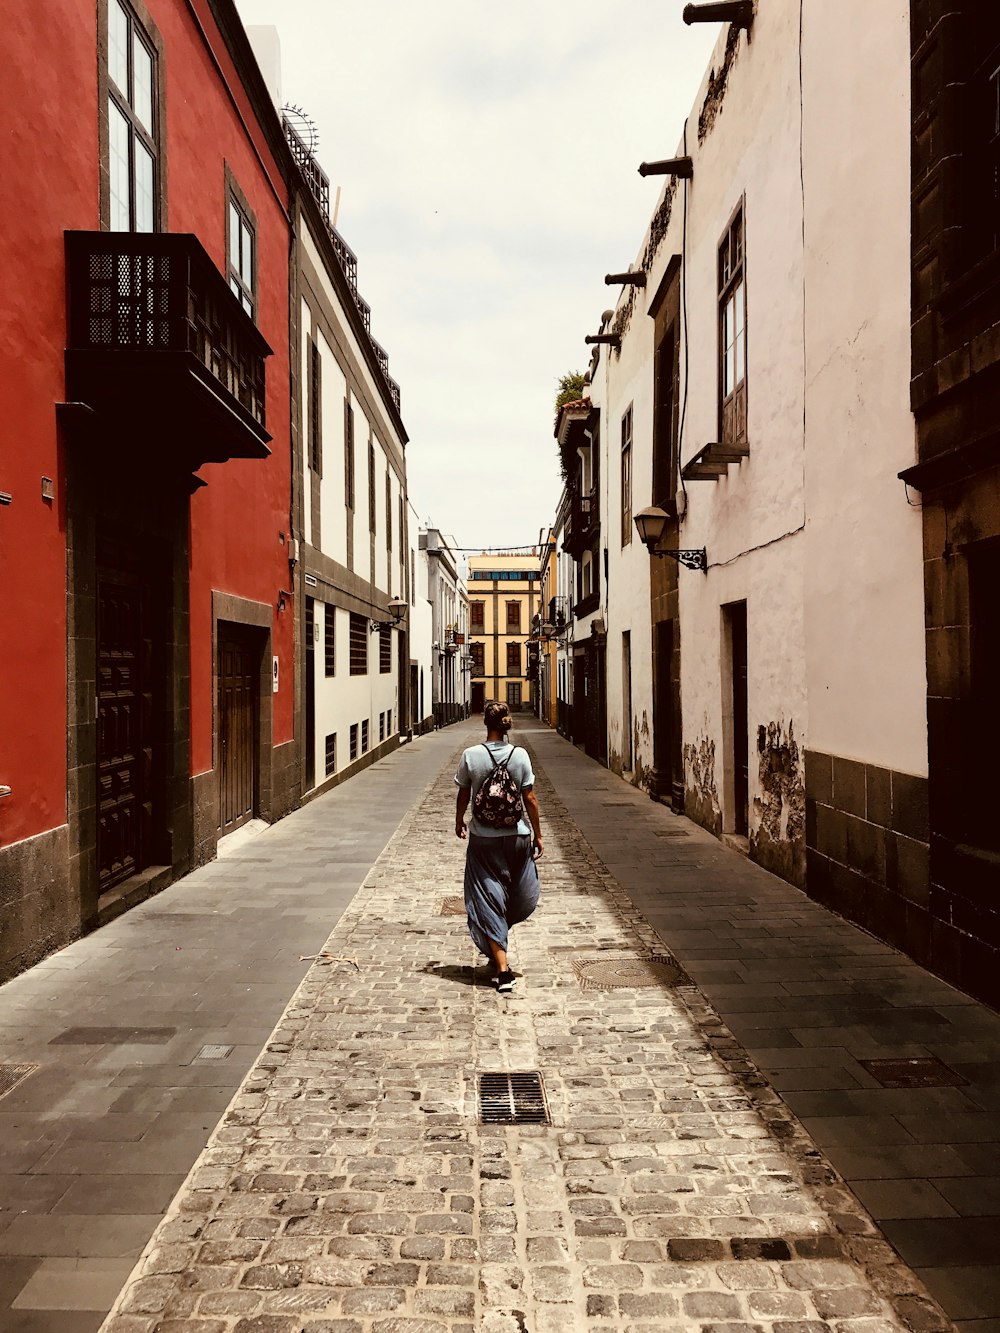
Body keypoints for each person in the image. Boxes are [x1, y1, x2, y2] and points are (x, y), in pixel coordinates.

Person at [455, 701, 543, 993]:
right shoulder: (520, 755)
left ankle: (503, 970)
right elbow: (529, 798)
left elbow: (463, 793)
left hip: (485, 839)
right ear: (506, 725)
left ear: (485, 724)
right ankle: (497, 945)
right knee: (518, 892)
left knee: (487, 897)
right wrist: (537, 834)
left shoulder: (471, 755)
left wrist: (460, 821)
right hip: (517, 836)